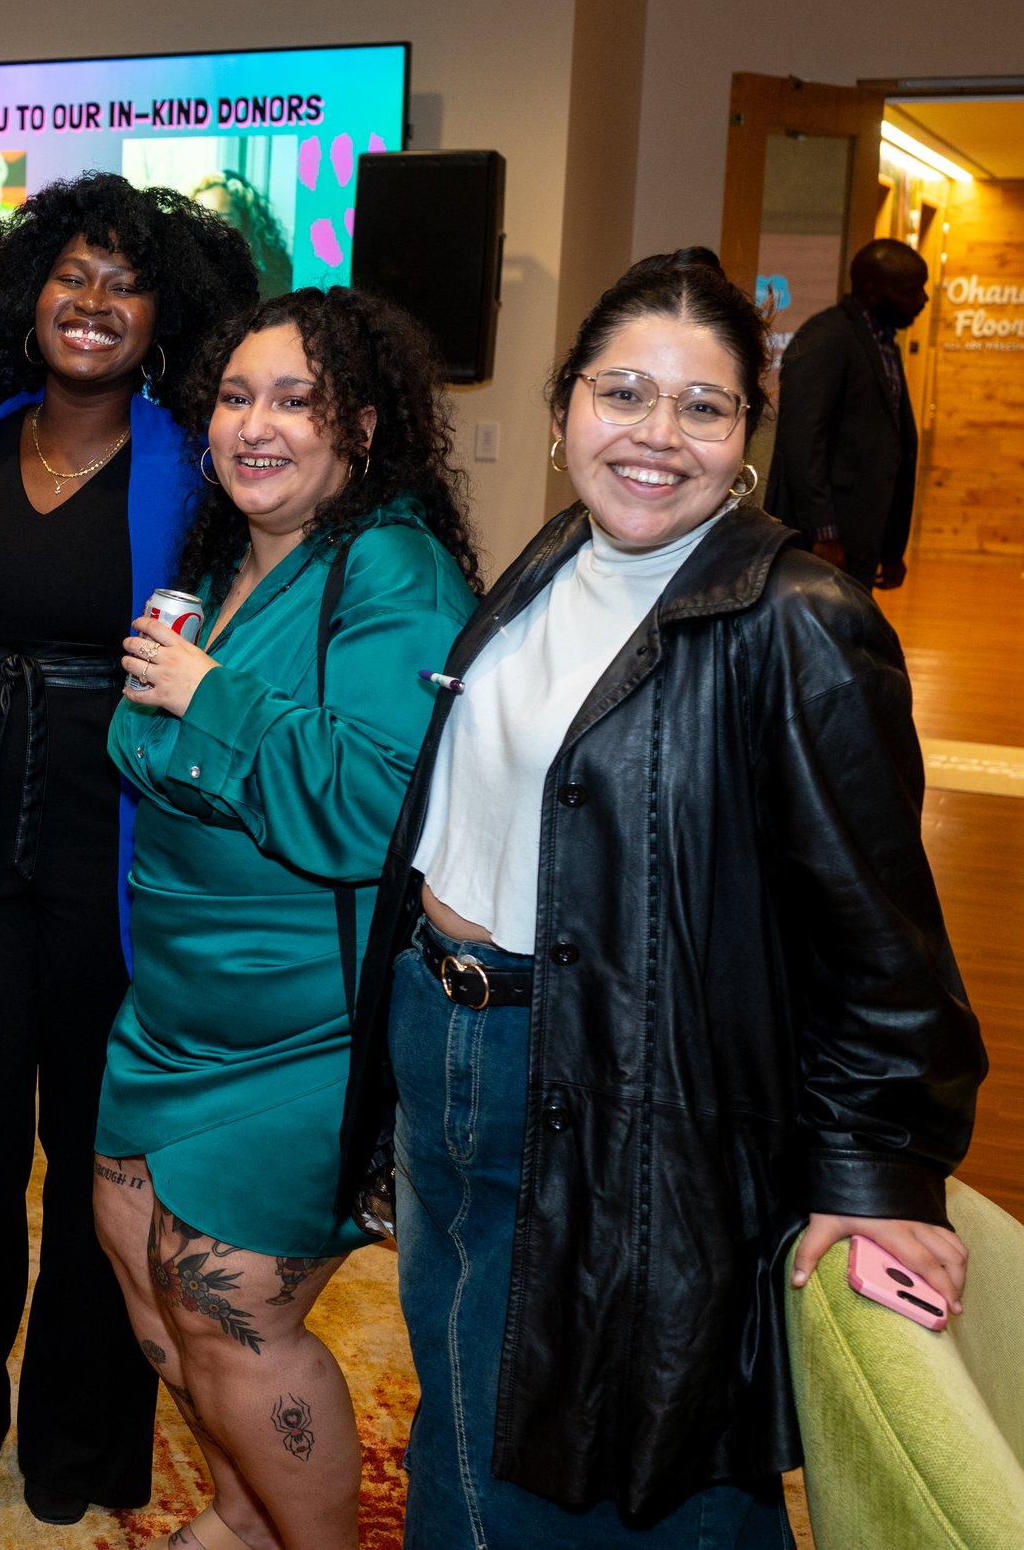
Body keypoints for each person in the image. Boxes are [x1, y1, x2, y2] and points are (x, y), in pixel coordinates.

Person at [338, 248, 986, 1546]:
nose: (656, 434)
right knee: (466, 1412)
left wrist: (879, 1174)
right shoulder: (555, 554)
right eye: (623, 392)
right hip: (445, 1047)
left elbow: (883, 940)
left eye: (704, 404)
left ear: (750, 432)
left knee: (610, 1463)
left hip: (610, 1084)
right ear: (566, 401)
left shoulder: (798, 618)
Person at [0, 172, 259, 1524]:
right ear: (22, 293)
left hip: (117, 854)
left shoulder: (197, 464)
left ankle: (82, 1439)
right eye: (72, 275)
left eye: (126, 282)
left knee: (105, 1155)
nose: (93, 302)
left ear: (166, 317)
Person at [93, 289, 480, 1550]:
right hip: (172, 1011)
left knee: (232, 1315)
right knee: (152, 1291)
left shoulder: (390, 564)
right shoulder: (224, 555)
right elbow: (145, 744)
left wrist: (208, 702)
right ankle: (247, 1515)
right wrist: (196, 714)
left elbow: (376, 803)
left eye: (295, 400)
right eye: (235, 396)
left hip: (302, 1028)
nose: (254, 426)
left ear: (361, 429)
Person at [765, 237, 929, 590]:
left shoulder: (881, 341)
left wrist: (889, 547)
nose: (923, 300)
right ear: (872, 291)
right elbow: (802, 439)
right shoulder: (828, 338)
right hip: (825, 540)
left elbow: (889, 442)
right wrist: (824, 533)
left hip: (861, 536)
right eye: (912, 290)